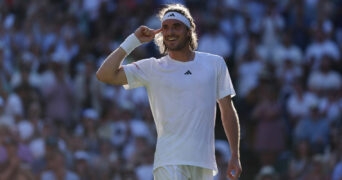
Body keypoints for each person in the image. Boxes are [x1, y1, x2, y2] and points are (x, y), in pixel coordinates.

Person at [96, 3, 242, 180]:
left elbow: (227, 111)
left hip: (204, 163)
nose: (170, 32)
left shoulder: (215, 63)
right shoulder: (152, 67)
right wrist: (133, 40)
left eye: (176, 26)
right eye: (165, 27)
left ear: (189, 30)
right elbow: (104, 75)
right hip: (169, 161)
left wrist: (235, 153)